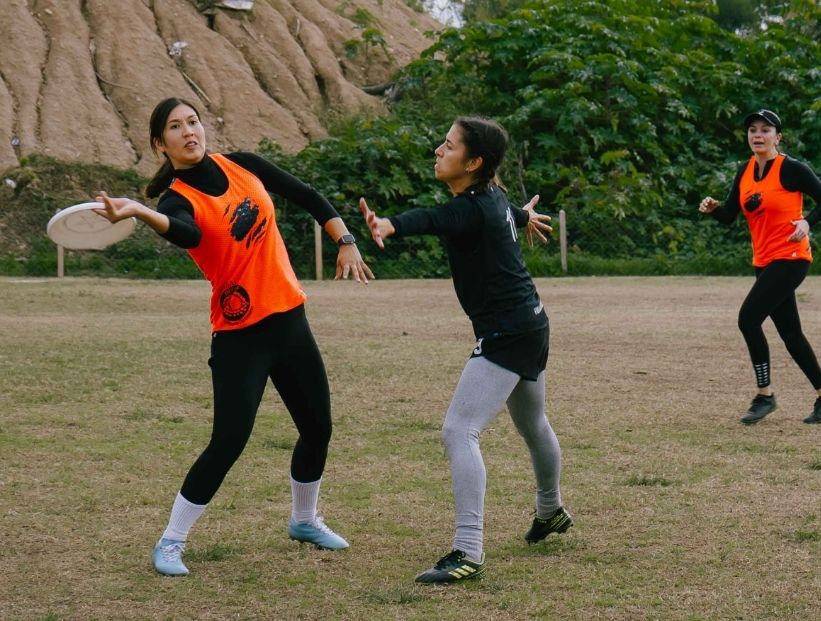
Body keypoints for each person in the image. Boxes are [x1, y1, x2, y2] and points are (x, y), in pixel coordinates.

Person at [95, 97, 374, 576]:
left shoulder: (243, 165)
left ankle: (304, 521)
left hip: (290, 320)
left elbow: (307, 195)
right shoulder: (177, 198)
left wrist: (344, 240)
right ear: (160, 144)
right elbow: (186, 235)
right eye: (175, 128)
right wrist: (141, 211)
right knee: (228, 441)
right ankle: (171, 541)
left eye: (193, 121)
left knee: (318, 428)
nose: (189, 132)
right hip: (241, 335)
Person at [360, 116, 572, 584]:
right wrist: (525, 215)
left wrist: (390, 225)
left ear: (474, 162)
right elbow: (503, 210)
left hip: (508, 333)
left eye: (450, 145)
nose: (439, 149)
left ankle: (468, 551)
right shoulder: (492, 197)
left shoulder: (472, 207)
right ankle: (550, 510)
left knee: (459, 430)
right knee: (532, 423)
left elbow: (435, 219)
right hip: (532, 322)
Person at [699, 109, 821, 425]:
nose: (758, 135)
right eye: (753, 129)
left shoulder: (792, 169)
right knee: (791, 333)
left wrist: (807, 223)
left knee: (748, 318)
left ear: (778, 137)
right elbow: (729, 215)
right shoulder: (745, 171)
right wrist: (713, 209)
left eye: (766, 130)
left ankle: (764, 395)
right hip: (764, 261)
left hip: (791, 258)